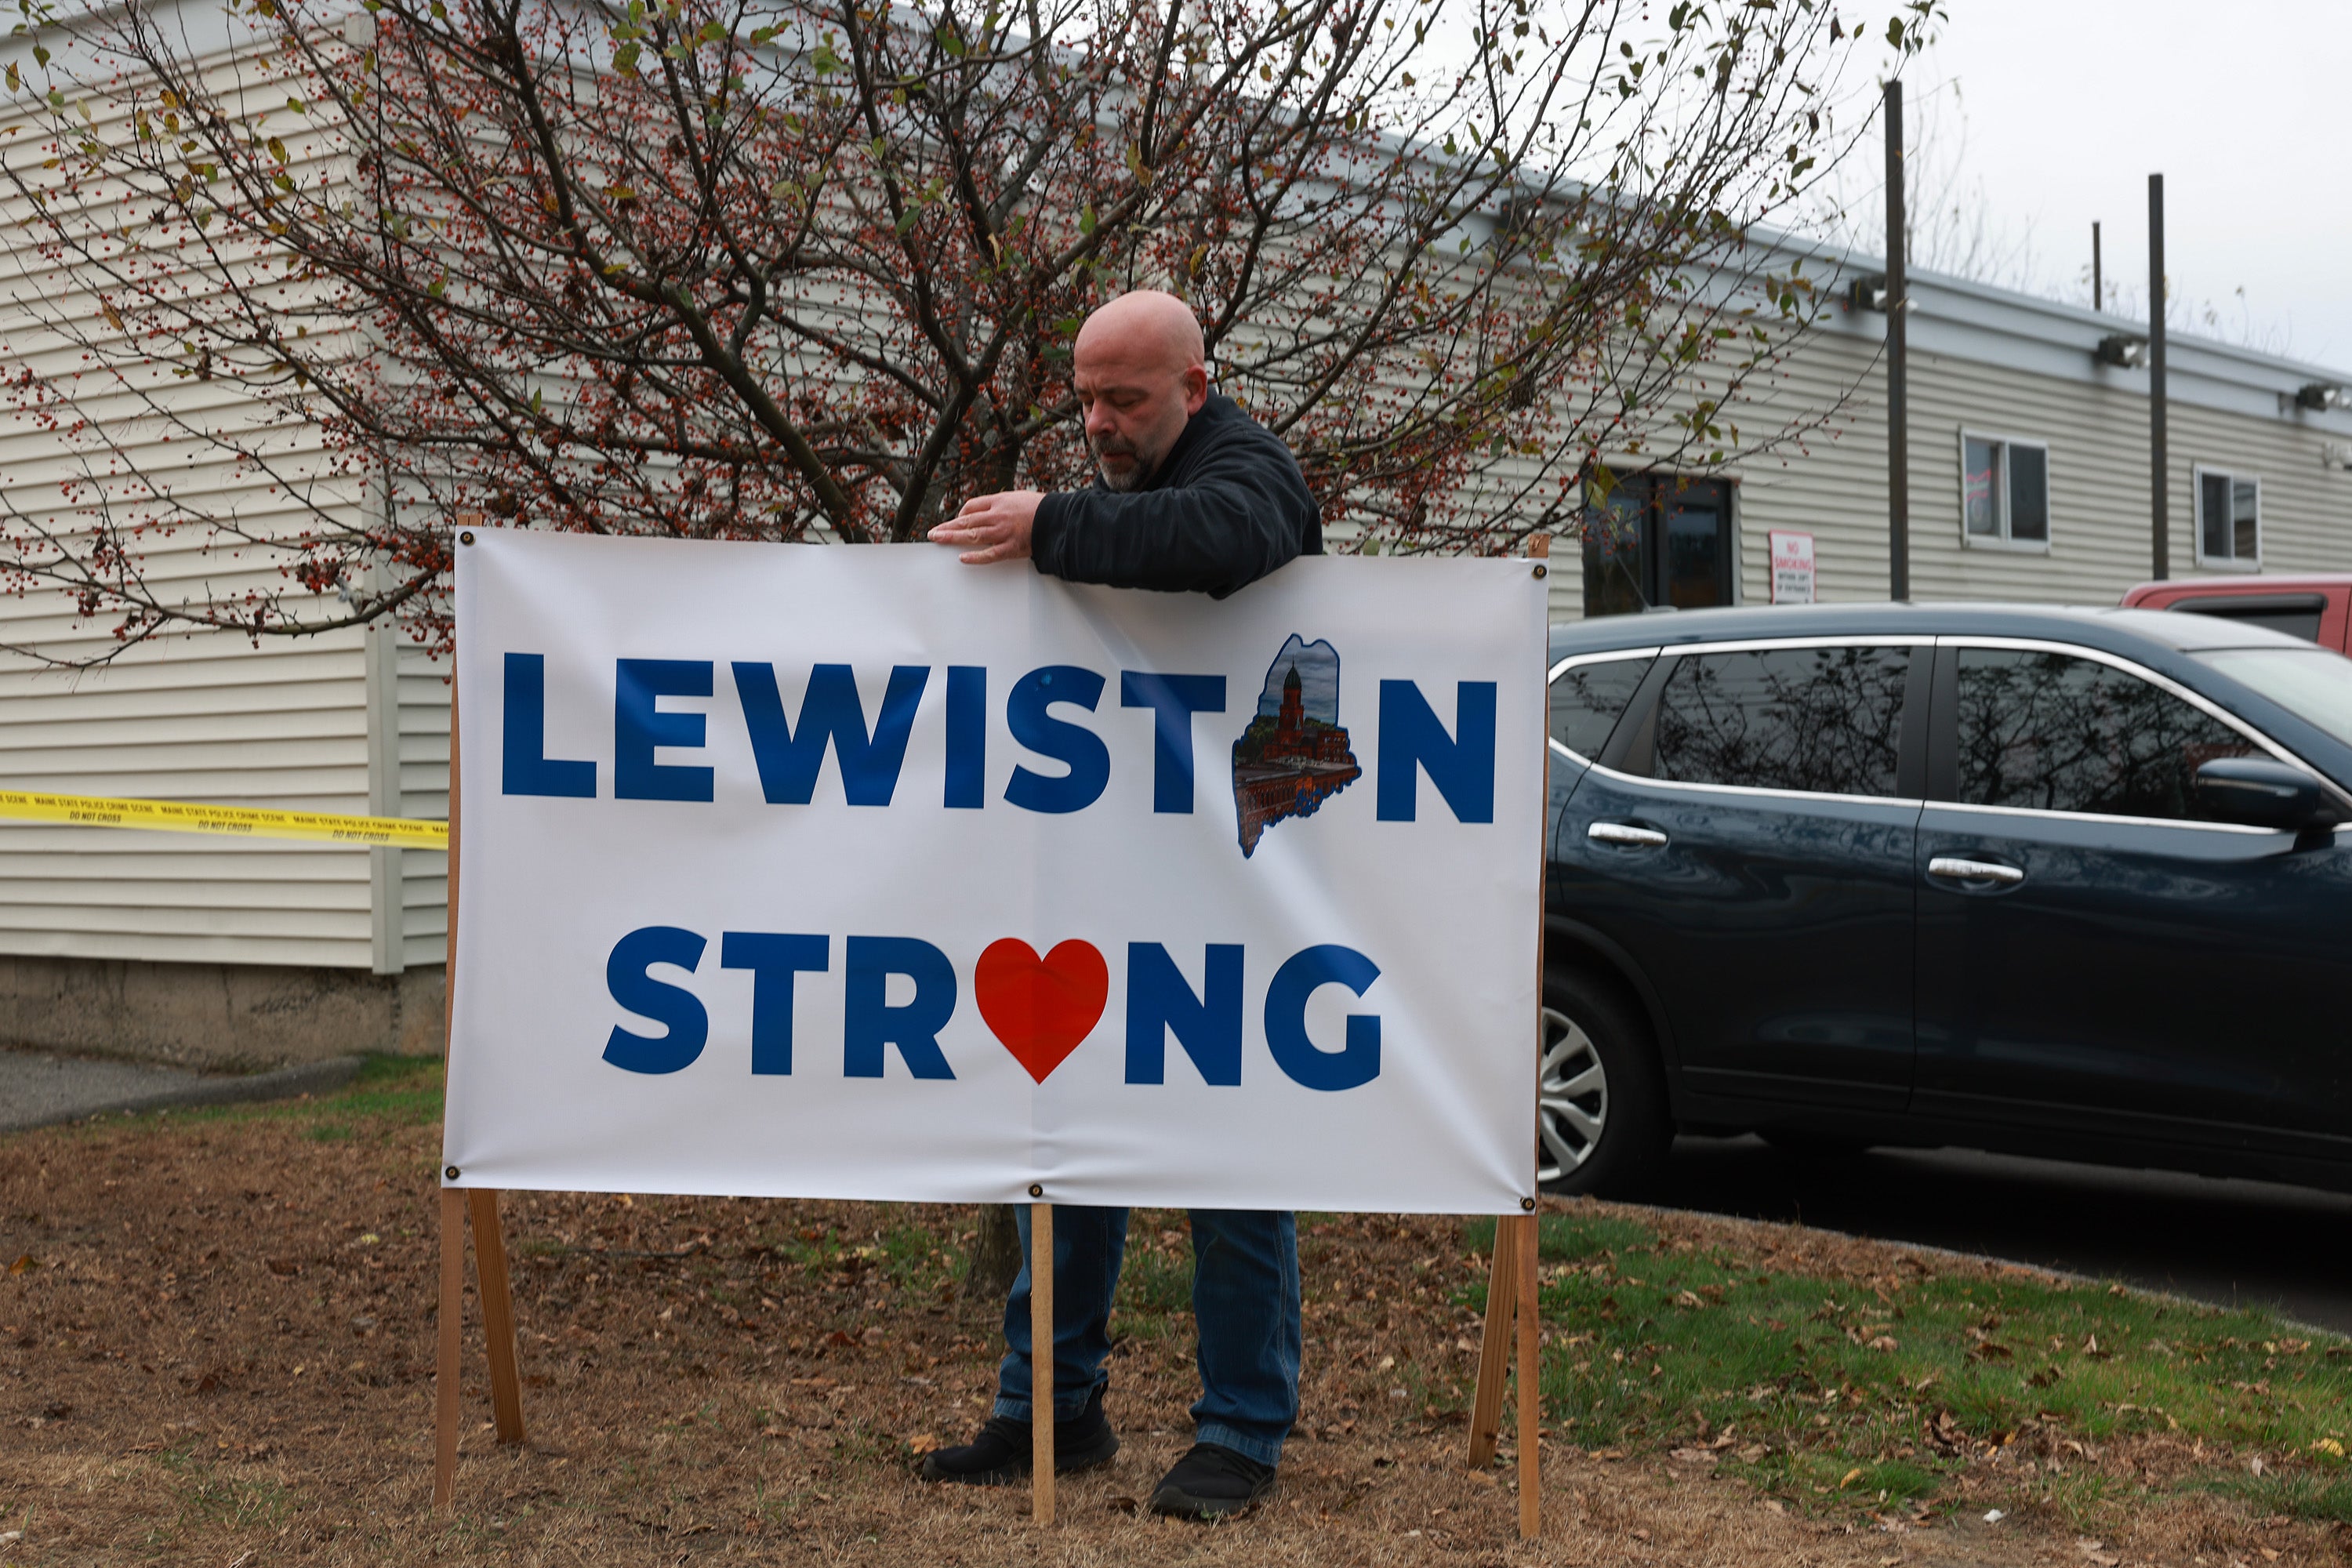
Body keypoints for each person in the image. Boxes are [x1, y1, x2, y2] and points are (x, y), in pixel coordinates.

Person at [917, 290, 1321, 1519]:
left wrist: (1049, 527)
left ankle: (1242, 1433)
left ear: (1199, 386)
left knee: (1229, 1156)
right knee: (1071, 1144)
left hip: (1233, 891)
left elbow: (1228, 540)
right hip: (1109, 882)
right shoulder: (1127, 476)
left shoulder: (1246, 467)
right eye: (1084, 398)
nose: (1097, 422)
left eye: (1125, 399)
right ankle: (1050, 1410)